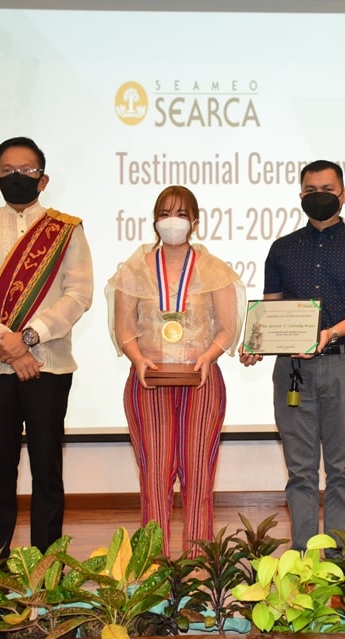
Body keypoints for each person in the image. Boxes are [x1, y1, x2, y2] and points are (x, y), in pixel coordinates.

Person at [0, 136, 94, 562]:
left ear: (43, 178)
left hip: (49, 366)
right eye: (9, 172)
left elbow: (79, 293)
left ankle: (47, 567)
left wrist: (29, 336)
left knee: (47, 471)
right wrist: (9, 347)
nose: (18, 178)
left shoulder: (66, 229)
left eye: (27, 171)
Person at [240, 160, 345, 552]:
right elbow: (270, 311)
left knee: (342, 470)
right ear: (300, 197)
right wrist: (255, 342)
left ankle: (340, 558)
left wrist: (330, 332)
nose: (318, 195)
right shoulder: (282, 249)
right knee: (300, 471)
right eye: (310, 190)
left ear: (343, 194)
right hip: (292, 371)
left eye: (327, 188)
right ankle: (305, 558)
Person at [106, 185, 245, 556]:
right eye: (166, 213)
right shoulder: (133, 269)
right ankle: (153, 562)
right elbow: (124, 327)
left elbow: (227, 328)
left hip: (201, 379)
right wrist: (138, 359)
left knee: (199, 475)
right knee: (154, 476)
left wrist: (208, 355)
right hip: (148, 381)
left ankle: (200, 565)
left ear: (195, 222)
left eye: (181, 214)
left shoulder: (215, 270)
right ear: (154, 220)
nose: (173, 221)